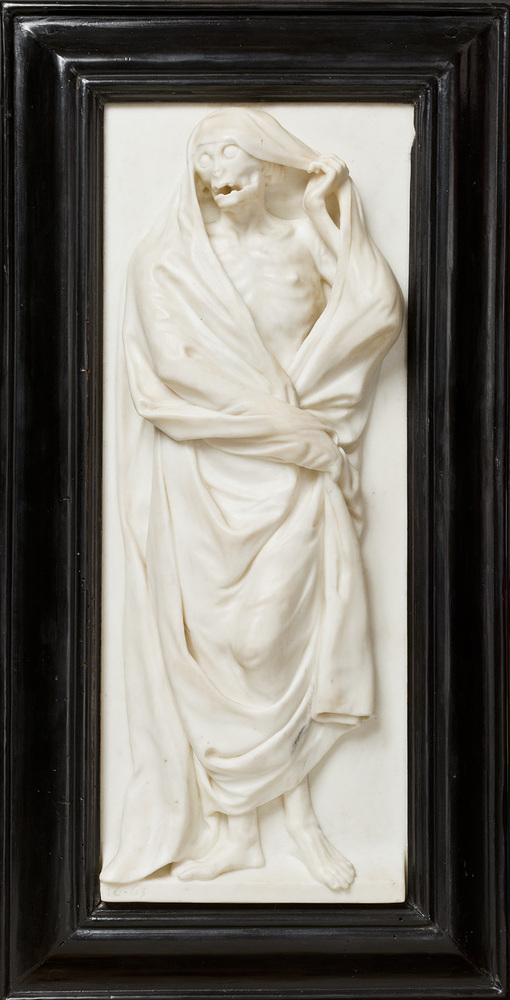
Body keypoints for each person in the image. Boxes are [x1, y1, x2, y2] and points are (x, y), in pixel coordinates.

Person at [101, 108, 403, 891]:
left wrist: (333, 212)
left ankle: (299, 821)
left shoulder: (305, 239)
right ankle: (240, 832)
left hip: (295, 479)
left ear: (267, 161)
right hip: (210, 467)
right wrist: (290, 430)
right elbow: (177, 369)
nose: (212, 169)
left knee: (271, 641)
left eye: (227, 151)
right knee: (218, 650)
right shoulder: (167, 260)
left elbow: (375, 310)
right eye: (201, 156)